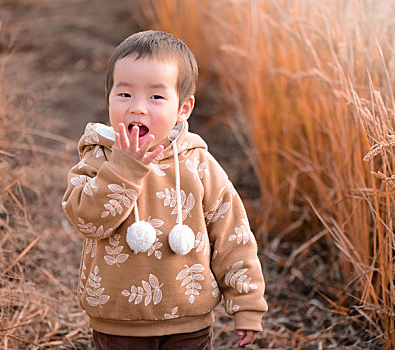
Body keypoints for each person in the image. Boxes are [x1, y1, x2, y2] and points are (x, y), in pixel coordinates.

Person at [62, 30, 267, 350]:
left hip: (189, 318)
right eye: (124, 94)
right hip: (117, 320)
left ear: (183, 108)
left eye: (156, 97)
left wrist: (247, 303)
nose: (138, 108)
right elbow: (87, 219)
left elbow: (232, 234)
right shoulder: (99, 156)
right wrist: (123, 169)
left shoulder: (198, 163)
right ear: (109, 98)